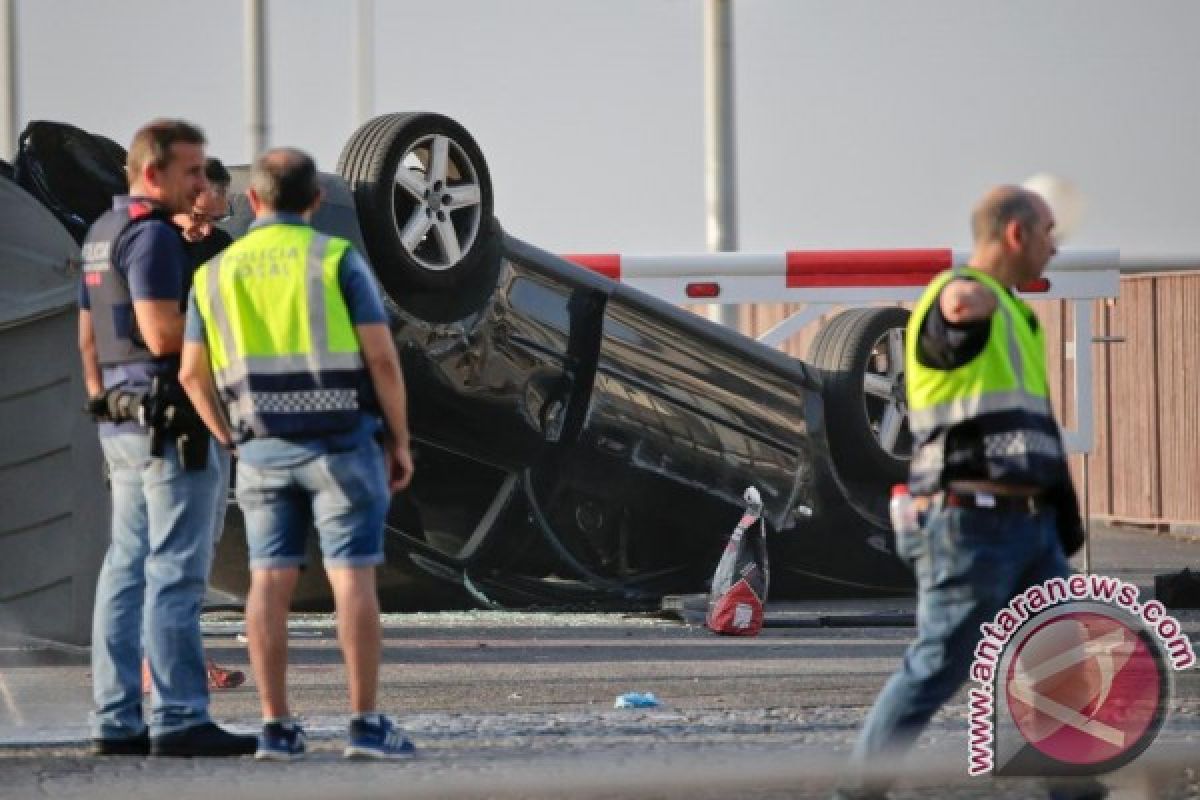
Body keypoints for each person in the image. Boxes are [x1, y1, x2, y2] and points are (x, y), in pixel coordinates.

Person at [833, 186, 1099, 800]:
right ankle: (853, 793)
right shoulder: (960, 298)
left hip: (1028, 528)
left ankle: (1077, 794)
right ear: (1015, 234)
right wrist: (960, 300)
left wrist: (1063, 516)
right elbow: (950, 318)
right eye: (1048, 232)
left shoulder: (1019, 317)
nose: (1054, 246)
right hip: (969, 526)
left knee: (1063, 664)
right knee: (938, 666)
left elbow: (1033, 429)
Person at [179, 147, 416, 762]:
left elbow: (189, 374)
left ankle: (277, 727)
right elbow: (384, 360)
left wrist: (229, 436)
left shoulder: (213, 275)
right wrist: (400, 439)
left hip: (262, 448)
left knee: (268, 581)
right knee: (352, 577)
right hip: (342, 443)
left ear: (251, 201)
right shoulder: (337, 260)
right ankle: (364, 724)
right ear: (315, 201)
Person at [79, 119, 257, 757]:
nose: (201, 182)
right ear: (153, 175)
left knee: (124, 574)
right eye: (191, 171)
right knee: (177, 576)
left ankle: (116, 718)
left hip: (124, 424)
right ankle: (182, 717)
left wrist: (107, 410)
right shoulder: (152, 238)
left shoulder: (101, 233)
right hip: (173, 425)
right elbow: (162, 336)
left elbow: (86, 339)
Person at [129, 156, 242, 694]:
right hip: (169, 410)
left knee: (203, 539)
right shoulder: (153, 247)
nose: (204, 229)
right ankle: (161, 660)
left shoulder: (221, 251)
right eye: (198, 218)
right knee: (168, 540)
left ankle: (178, 654)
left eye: (214, 220)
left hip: (211, 405)